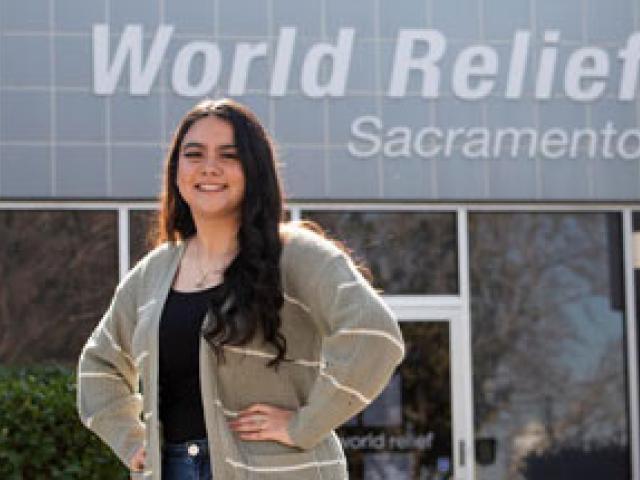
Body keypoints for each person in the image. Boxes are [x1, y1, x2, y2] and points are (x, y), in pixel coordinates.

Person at [76, 98, 405, 480]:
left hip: (279, 470)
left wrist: (306, 423)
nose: (209, 167)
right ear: (176, 170)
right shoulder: (154, 273)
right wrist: (131, 440)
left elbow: (375, 336)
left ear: (254, 169)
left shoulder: (297, 255)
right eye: (194, 154)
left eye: (228, 155)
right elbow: (99, 365)